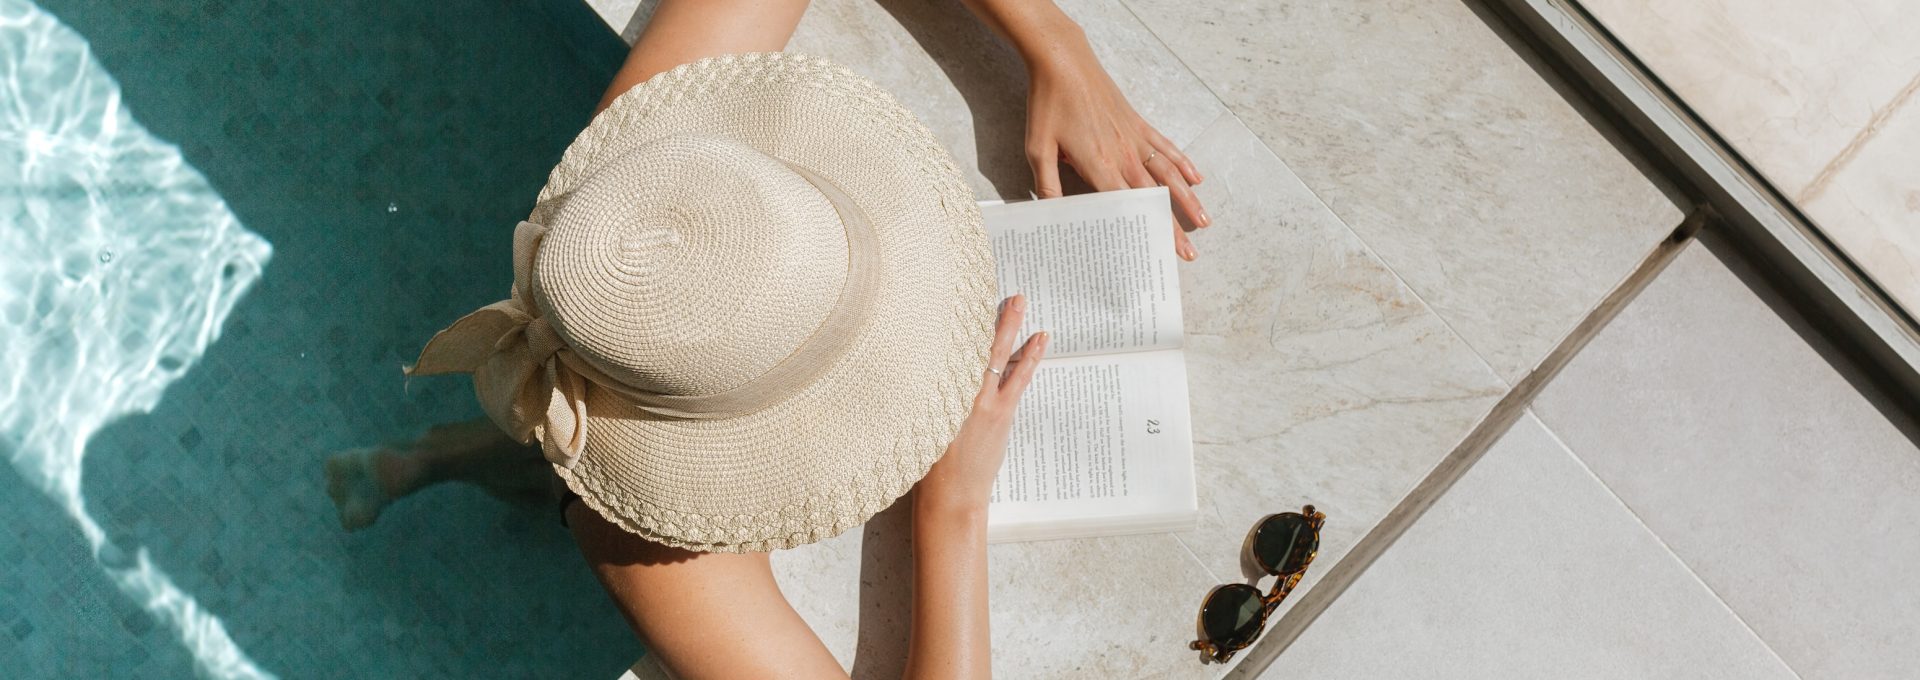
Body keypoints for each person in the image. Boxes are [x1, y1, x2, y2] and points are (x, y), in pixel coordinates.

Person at [324, 1, 1206, 676]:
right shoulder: (664, 554)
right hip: (608, 454)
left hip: (601, 379)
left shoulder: (653, 182)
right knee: (567, 480)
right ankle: (429, 459)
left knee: (545, 441)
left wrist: (1059, 51)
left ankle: (417, 459)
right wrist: (952, 508)